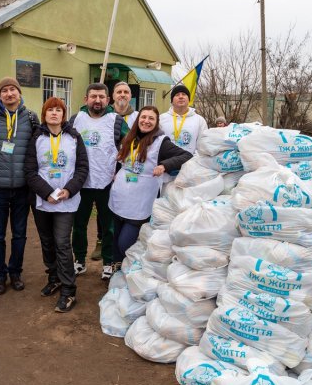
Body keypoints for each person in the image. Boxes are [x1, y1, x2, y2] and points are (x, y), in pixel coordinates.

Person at [24, 97, 89, 312]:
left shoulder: (74, 137)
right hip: (43, 201)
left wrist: (68, 190)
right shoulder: (37, 137)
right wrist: (47, 193)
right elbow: (30, 171)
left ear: (63, 115)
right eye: (50, 110)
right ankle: (54, 278)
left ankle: (69, 290)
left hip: (66, 201)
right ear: (44, 115)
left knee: (62, 243)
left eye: (58, 110)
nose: (54, 113)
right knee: (47, 242)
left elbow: (82, 168)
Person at [0, 77, 39, 295]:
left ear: (19, 93)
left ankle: (15, 273)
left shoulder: (30, 117)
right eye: (4, 90)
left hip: (22, 188)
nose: (9, 94)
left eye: (13, 89)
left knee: (20, 234)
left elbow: (39, 148)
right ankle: (0, 276)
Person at [109, 106, 192, 267]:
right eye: (143, 117)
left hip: (140, 204)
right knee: (115, 241)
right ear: (138, 119)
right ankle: (117, 271)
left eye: (151, 118)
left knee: (125, 243)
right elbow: (124, 162)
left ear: (156, 123)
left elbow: (186, 156)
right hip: (119, 199)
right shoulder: (129, 138)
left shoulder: (161, 142)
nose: (146, 121)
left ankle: (131, 268)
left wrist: (164, 165)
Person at [69, 83, 128, 281]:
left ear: (108, 100)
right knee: (79, 224)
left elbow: (131, 144)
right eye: (93, 96)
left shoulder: (116, 120)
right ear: (86, 99)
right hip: (81, 182)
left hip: (107, 182)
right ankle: (79, 260)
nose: (97, 100)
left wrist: (120, 170)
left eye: (101, 97)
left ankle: (108, 263)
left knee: (109, 226)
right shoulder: (76, 119)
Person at [160, 84, 208, 154]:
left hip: (190, 160)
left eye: (184, 94)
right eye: (177, 95)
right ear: (172, 101)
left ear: (189, 99)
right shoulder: (161, 119)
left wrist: (193, 159)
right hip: (166, 160)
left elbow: (203, 146)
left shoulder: (199, 120)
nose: (181, 97)